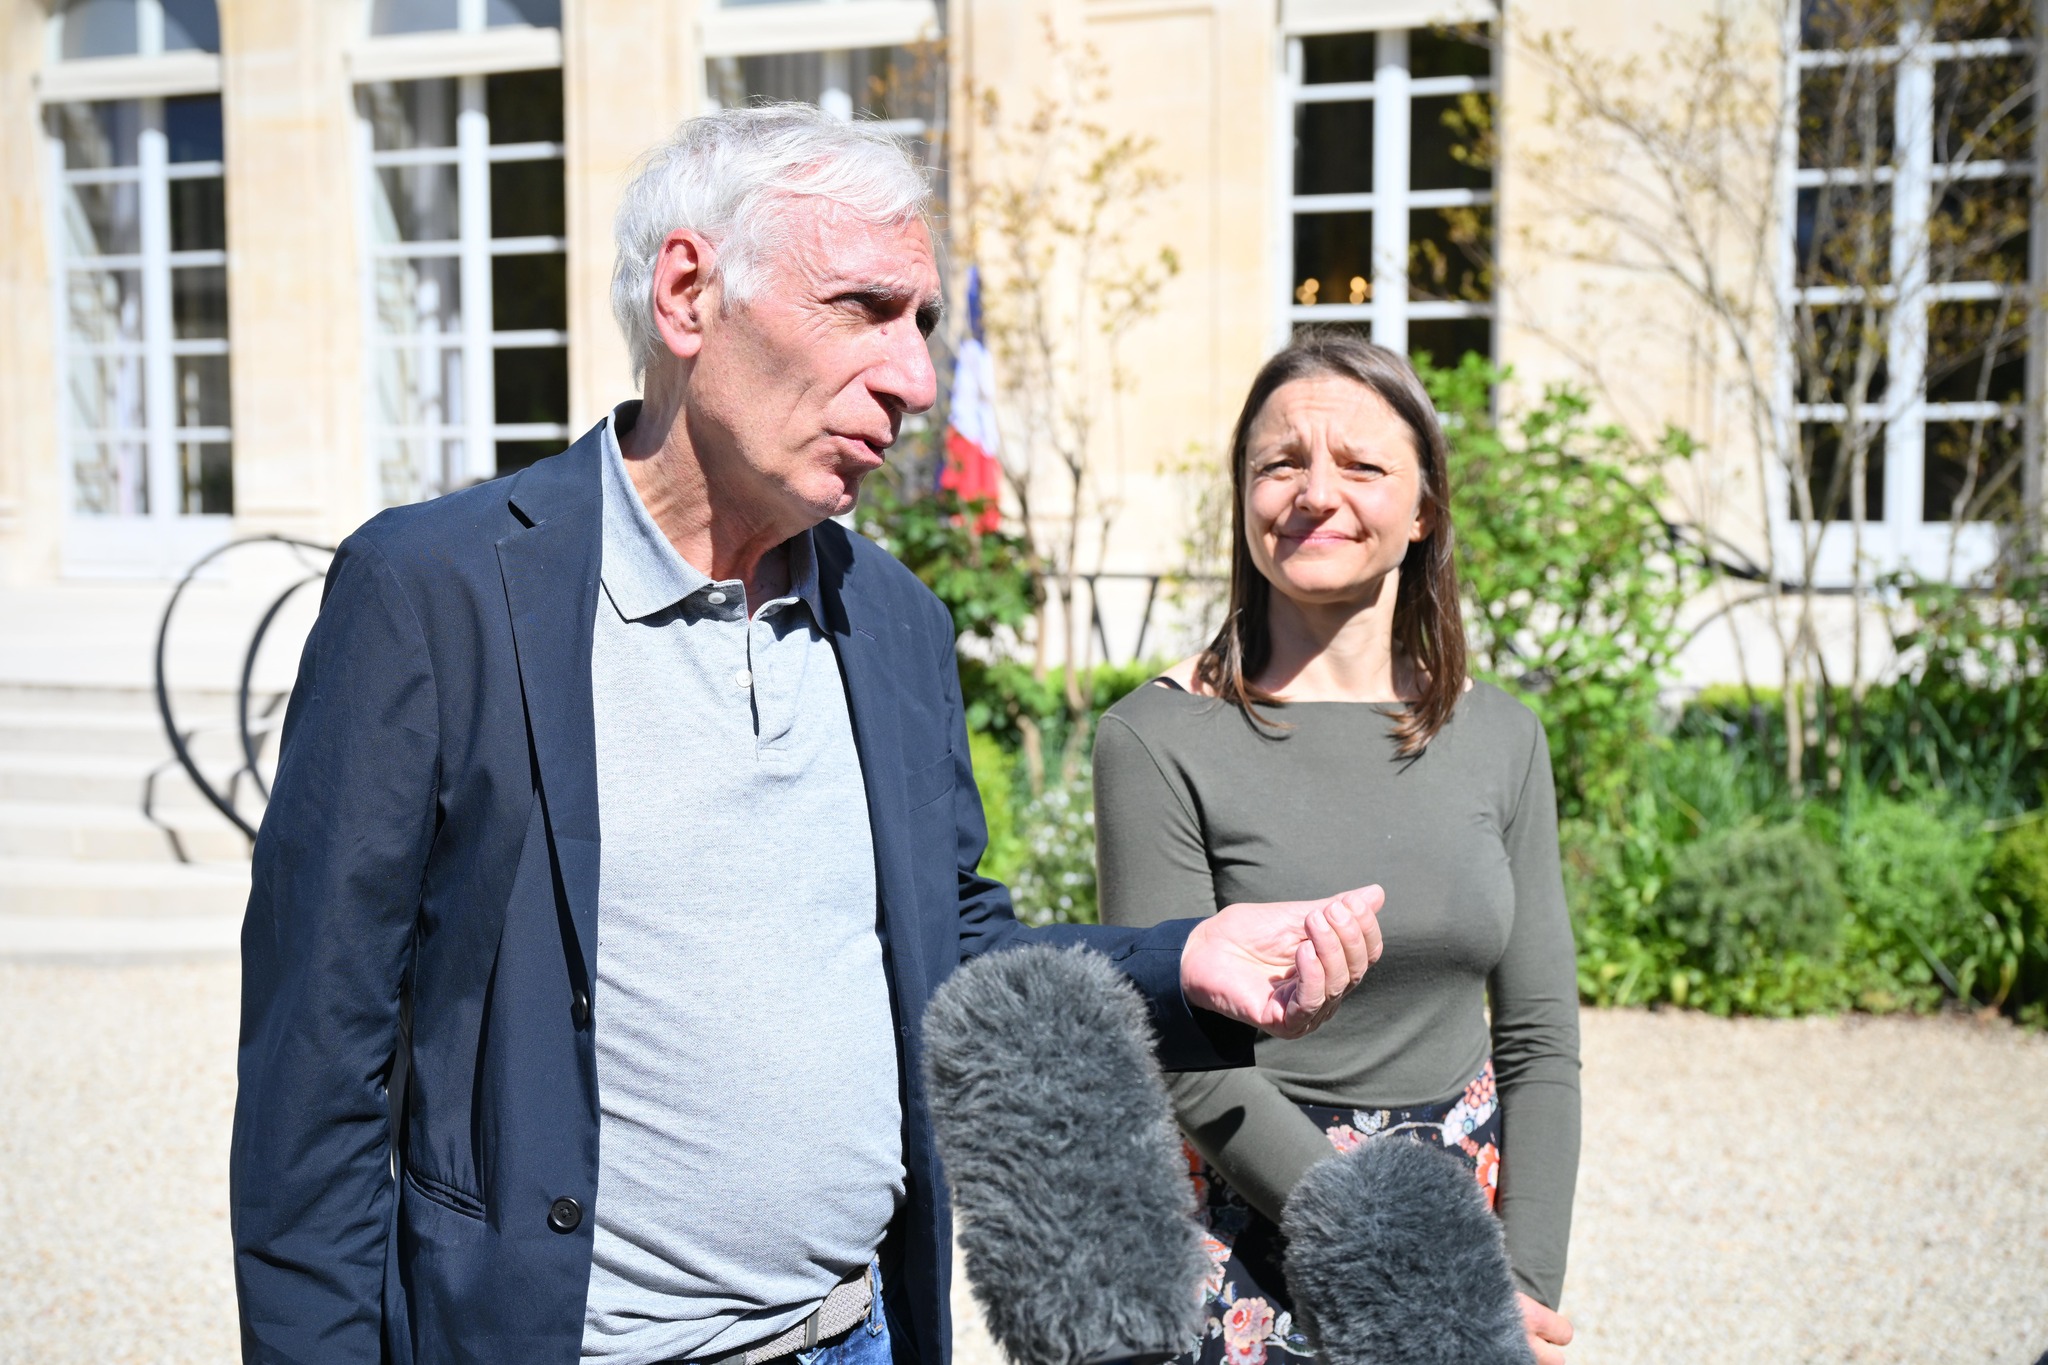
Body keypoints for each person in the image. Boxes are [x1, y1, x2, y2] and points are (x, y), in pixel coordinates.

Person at [229, 108, 1386, 1365]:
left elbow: (943, 949)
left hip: (856, 1337)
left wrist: (1184, 963)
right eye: (863, 309)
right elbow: (315, 1071)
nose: (915, 379)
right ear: (688, 294)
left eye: (924, 324)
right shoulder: (436, 592)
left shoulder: (891, 621)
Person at [1094, 332, 1582, 1365]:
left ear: (1422, 510)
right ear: (1243, 498)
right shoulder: (1156, 738)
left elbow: (1537, 1034)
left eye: (1361, 465)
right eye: (1280, 464)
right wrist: (1394, 1253)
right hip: (1241, 1236)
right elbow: (1184, 1062)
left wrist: (1523, 1283)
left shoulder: (1499, 736)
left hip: (1460, 1223)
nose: (1316, 493)